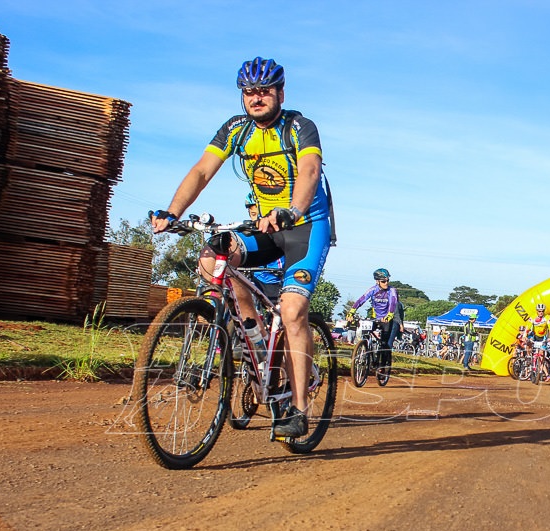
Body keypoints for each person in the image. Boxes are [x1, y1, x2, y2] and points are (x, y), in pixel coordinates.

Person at [150, 57, 331, 438]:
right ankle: (255, 338)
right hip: (265, 227)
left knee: (293, 308)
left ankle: (298, 409)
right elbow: (201, 171)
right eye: (249, 92)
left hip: (304, 226)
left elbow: (310, 171)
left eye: (265, 91)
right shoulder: (235, 129)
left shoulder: (299, 126)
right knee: (212, 258)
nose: (257, 97)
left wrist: (292, 210)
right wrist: (172, 212)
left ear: (280, 93)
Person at [350, 268, 400, 371]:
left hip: (386, 319)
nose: (386, 283)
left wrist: (390, 315)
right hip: (375, 318)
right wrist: (352, 311)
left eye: (387, 281)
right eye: (383, 281)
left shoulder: (392, 291)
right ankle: (366, 350)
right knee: (368, 335)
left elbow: (393, 302)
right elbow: (362, 299)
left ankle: (382, 364)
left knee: (384, 343)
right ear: (377, 281)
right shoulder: (373, 290)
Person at [244, 193, 285, 302]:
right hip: (253, 277)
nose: (257, 218)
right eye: (253, 214)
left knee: (278, 313)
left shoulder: (276, 231)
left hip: (272, 279)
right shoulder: (246, 231)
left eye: (260, 214)